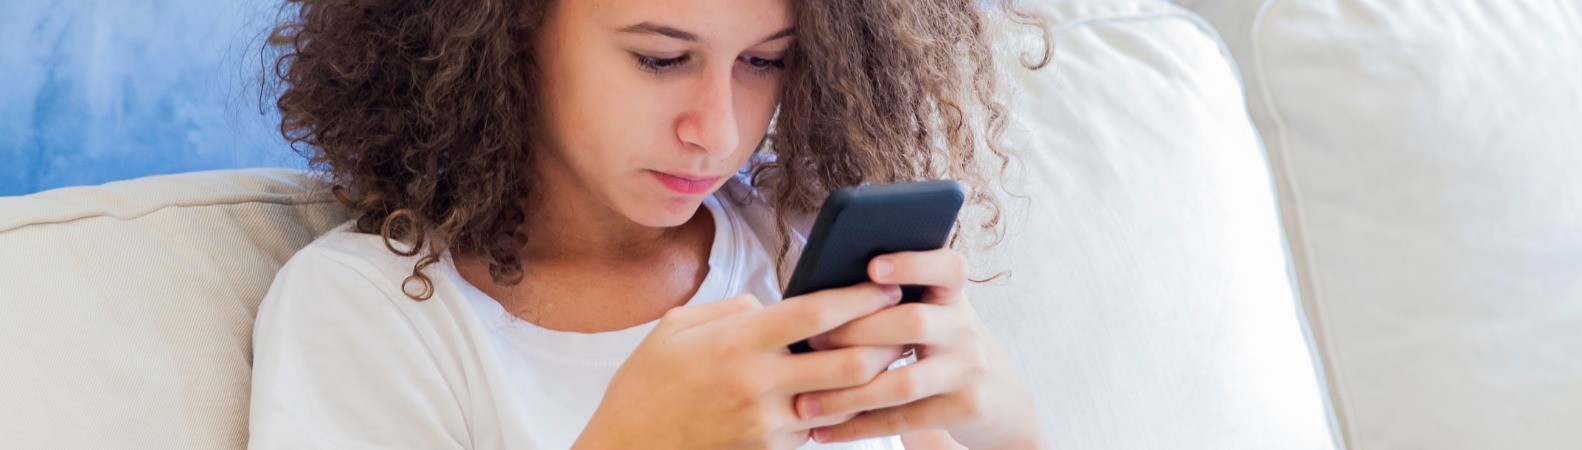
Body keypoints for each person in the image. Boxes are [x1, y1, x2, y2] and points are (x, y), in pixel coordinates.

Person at [249, 0, 1052, 448]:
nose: (720, 131)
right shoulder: (372, 313)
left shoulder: (799, 247)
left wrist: (1001, 418)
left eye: (764, 61)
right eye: (662, 59)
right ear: (507, 32)